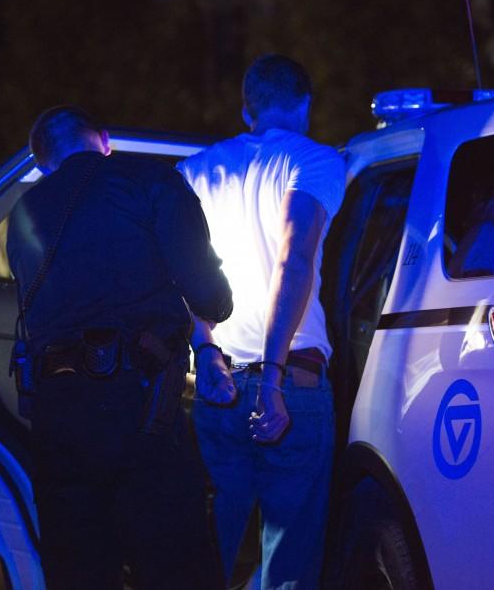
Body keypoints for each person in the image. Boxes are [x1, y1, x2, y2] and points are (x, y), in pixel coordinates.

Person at [6, 106, 233, 590]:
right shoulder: (148, 180)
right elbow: (208, 293)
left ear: (42, 162)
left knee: (78, 566)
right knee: (175, 563)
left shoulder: (23, 212)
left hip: (57, 414)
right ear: (104, 140)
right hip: (142, 407)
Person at [176, 55, 346, 589]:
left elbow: (178, 274)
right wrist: (271, 378)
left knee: (204, 555)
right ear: (306, 104)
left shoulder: (194, 171)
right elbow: (293, 261)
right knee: (288, 563)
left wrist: (205, 354)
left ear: (245, 109)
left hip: (216, 387)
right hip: (290, 385)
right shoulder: (315, 161)